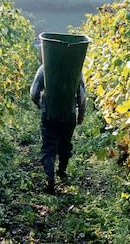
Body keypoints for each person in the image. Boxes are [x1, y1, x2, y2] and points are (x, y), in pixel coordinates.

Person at [30, 64, 86, 194]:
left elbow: (34, 93)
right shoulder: (76, 69)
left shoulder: (44, 68)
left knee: (48, 147)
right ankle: (62, 171)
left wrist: (41, 105)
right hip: (69, 114)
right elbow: (81, 96)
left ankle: (50, 177)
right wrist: (81, 114)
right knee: (65, 144)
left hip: (49, 113)